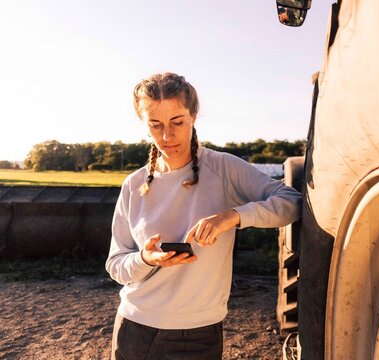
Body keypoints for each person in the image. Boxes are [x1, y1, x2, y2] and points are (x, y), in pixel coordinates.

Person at [105, 72, 302, 360]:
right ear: (144, 125)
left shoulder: (223, 168)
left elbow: (292, 202)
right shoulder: (134, 185)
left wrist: (233, 216)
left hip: (197, 333)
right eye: (156, 125)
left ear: (193, 116)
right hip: (133, 328)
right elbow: (115, 265)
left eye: (177, 122)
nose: (167, 136)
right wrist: (146, 259)